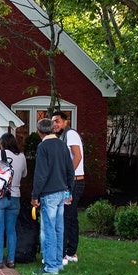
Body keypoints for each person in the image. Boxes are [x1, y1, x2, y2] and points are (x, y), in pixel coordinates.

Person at [31, 118, 75, 275]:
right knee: (58, 229)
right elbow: (70, 170)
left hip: (48, 193)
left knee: (49, 230)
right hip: (62, 192)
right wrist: (69, 191)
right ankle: (57, 263)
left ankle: (50, 267)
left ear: (38, 131)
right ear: (52, 129)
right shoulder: (62, 145)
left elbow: (41, 174)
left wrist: (35, 195)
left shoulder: (43, 147)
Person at [0, 132, 28, 269]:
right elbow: (24, 174)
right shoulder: (21, 156)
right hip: (15, 196)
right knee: (11, 230)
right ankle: (11, 260)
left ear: (2, 144)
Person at [52, 111, 84, 264]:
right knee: (71, 217)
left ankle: (64, 253)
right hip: (72, 181)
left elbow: (77, 156)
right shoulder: (64, 136)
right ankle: (72, 252)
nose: (55, 124)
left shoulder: (70, 134)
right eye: (53, 122)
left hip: (74, 182)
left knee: (66, 216)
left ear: (65, 122)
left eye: (57, 121)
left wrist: (67, 178)